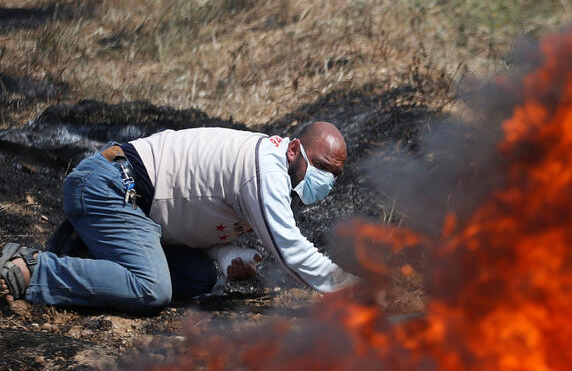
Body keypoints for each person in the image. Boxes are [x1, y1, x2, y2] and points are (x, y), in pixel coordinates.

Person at [0, 122, 356, 311]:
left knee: (197, 276)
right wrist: (354, 289)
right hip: (112, 187)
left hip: (139, 208)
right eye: (322, 167)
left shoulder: (273, 168)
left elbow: (193, 205)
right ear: (294, 148)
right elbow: (290, 250)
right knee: (151, 289)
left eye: (334, 175)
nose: (326, 180)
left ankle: (84, 252)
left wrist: (225, 253)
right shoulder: (265, 170)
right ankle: (33, 268)